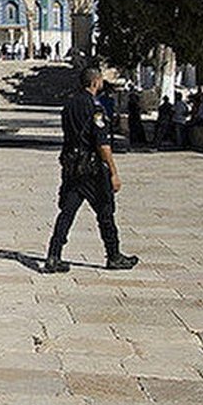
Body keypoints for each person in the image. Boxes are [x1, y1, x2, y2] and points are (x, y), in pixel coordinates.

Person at [42, 67, 138, 273]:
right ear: (95, 82)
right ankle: (113, 255)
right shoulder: (95, 107)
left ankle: (53, 255)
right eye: (101, 80)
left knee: (67, 213)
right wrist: (113, 172)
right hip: (92, 170)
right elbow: (102, 144)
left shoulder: (69, 105)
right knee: (105, 211)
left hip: (72, 167)